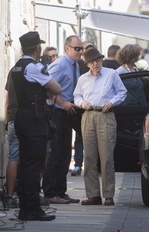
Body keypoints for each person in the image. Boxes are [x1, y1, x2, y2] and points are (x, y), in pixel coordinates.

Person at [11, 31, 61, 221]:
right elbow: (57, 89)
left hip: (22, 116)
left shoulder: (17, 67)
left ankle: (26, 207)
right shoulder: (34, 67)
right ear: (38, 48)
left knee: (25, 164)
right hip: (34, 118)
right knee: (35, 165)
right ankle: (33, 209)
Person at [73, 48, 127, 205]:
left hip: (105, 114)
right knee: (89, 157)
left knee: (107, 156)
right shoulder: (83, 78)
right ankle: (93, 195)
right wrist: (82, 103)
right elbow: (76, 96)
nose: (95, 64)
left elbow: (122, 92)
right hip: (88, 115)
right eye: (91, 62)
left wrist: (112, 102)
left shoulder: (111, 74)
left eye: (97, 60)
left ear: (102, 59)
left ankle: (108, 195)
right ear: (87, 64)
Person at [42, 35, 83, 204]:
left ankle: (60, 192)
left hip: (68, 111)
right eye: (77, 49)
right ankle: (50, 193)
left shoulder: (75, 65)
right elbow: (46, 88)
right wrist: (63, 103)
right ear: (67, 48)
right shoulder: (59, 64)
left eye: (81, 49)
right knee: (56, 154)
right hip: (57, 112)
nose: (80, 52)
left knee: (66, 154)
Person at [70, 41, 94, 177]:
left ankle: (94, 165)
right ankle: (78, 164)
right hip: (80, 106)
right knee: (80, 136)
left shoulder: (98, 67)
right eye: (85, 50)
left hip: (95, 107)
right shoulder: (78, 66)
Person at [4, 70, 20, 208]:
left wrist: (7, 122)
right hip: (30, 119)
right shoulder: (35, 68)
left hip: (14, 118)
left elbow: (7, 100)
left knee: (13, 156)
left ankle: (10, 195)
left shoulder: (13, 71)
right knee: (39, 154)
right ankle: (31, 193)